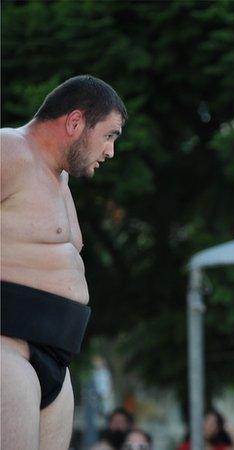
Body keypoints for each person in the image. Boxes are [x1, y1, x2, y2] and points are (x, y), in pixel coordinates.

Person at [1, 74, 127, 450]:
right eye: (109, 135)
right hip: (8, 350)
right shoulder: (10, 150)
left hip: (56, 358)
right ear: (75, 123)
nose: (110, 152)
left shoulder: (60, 180)